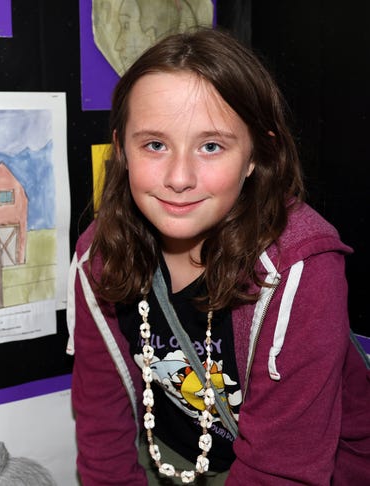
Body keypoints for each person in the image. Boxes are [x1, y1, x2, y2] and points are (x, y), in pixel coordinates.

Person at [66, 27, 370, 485]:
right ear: (122, 150)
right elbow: (100, 424)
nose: (180, 177)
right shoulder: (98, 256)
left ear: (254, 156)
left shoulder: (299, 268)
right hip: (174, 459)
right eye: (154, 145)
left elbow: (282, 469)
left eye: (211, 146)